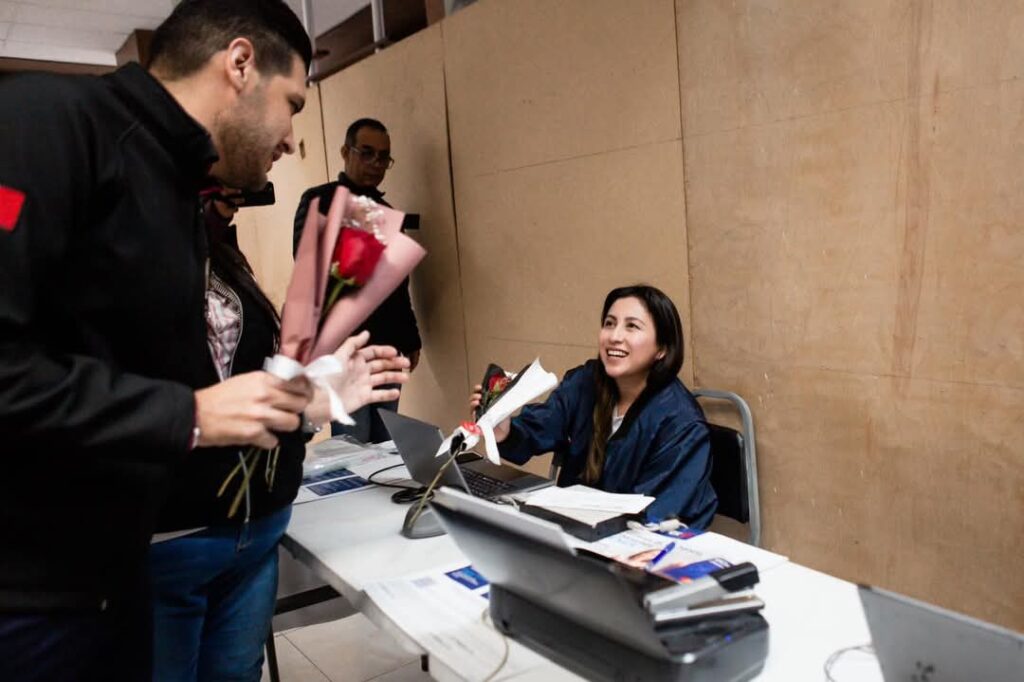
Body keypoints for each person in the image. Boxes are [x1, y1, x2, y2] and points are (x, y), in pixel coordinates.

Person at [0, 1, 353, 679]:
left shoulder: (179, 195)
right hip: (28, 599)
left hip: (116, 572)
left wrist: (299, 399)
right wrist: (190, 413)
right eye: (293, 105)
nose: (289, 139)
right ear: (240, 64)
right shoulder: (48, 122)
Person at [147, 187, 409, 680]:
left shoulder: (227, 265)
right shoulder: (120, 258)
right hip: (171, 539)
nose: (288, 139)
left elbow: (256, 397)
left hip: (255, 531)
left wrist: (312, 404)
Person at [469, 285, 718, 527]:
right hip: (575, 530)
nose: (614, 336)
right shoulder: (586, 382)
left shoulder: (681, 423)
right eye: (609, 323)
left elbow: (652, 517)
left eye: (632, 326)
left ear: (662, 349)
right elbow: (541, 426)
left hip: (639, 550)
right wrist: (505, 429)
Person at [293, 118, 422, 442]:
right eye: (366, 153)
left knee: (385, 443)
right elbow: (308, 266)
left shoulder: (387, 209)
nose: (375, 164)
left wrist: (411, 337)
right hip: (345, 345)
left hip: (389, 346)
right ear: (345, 152)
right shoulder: (319, 200)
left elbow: (398, 284)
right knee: (351, 443)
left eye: (383, 157)